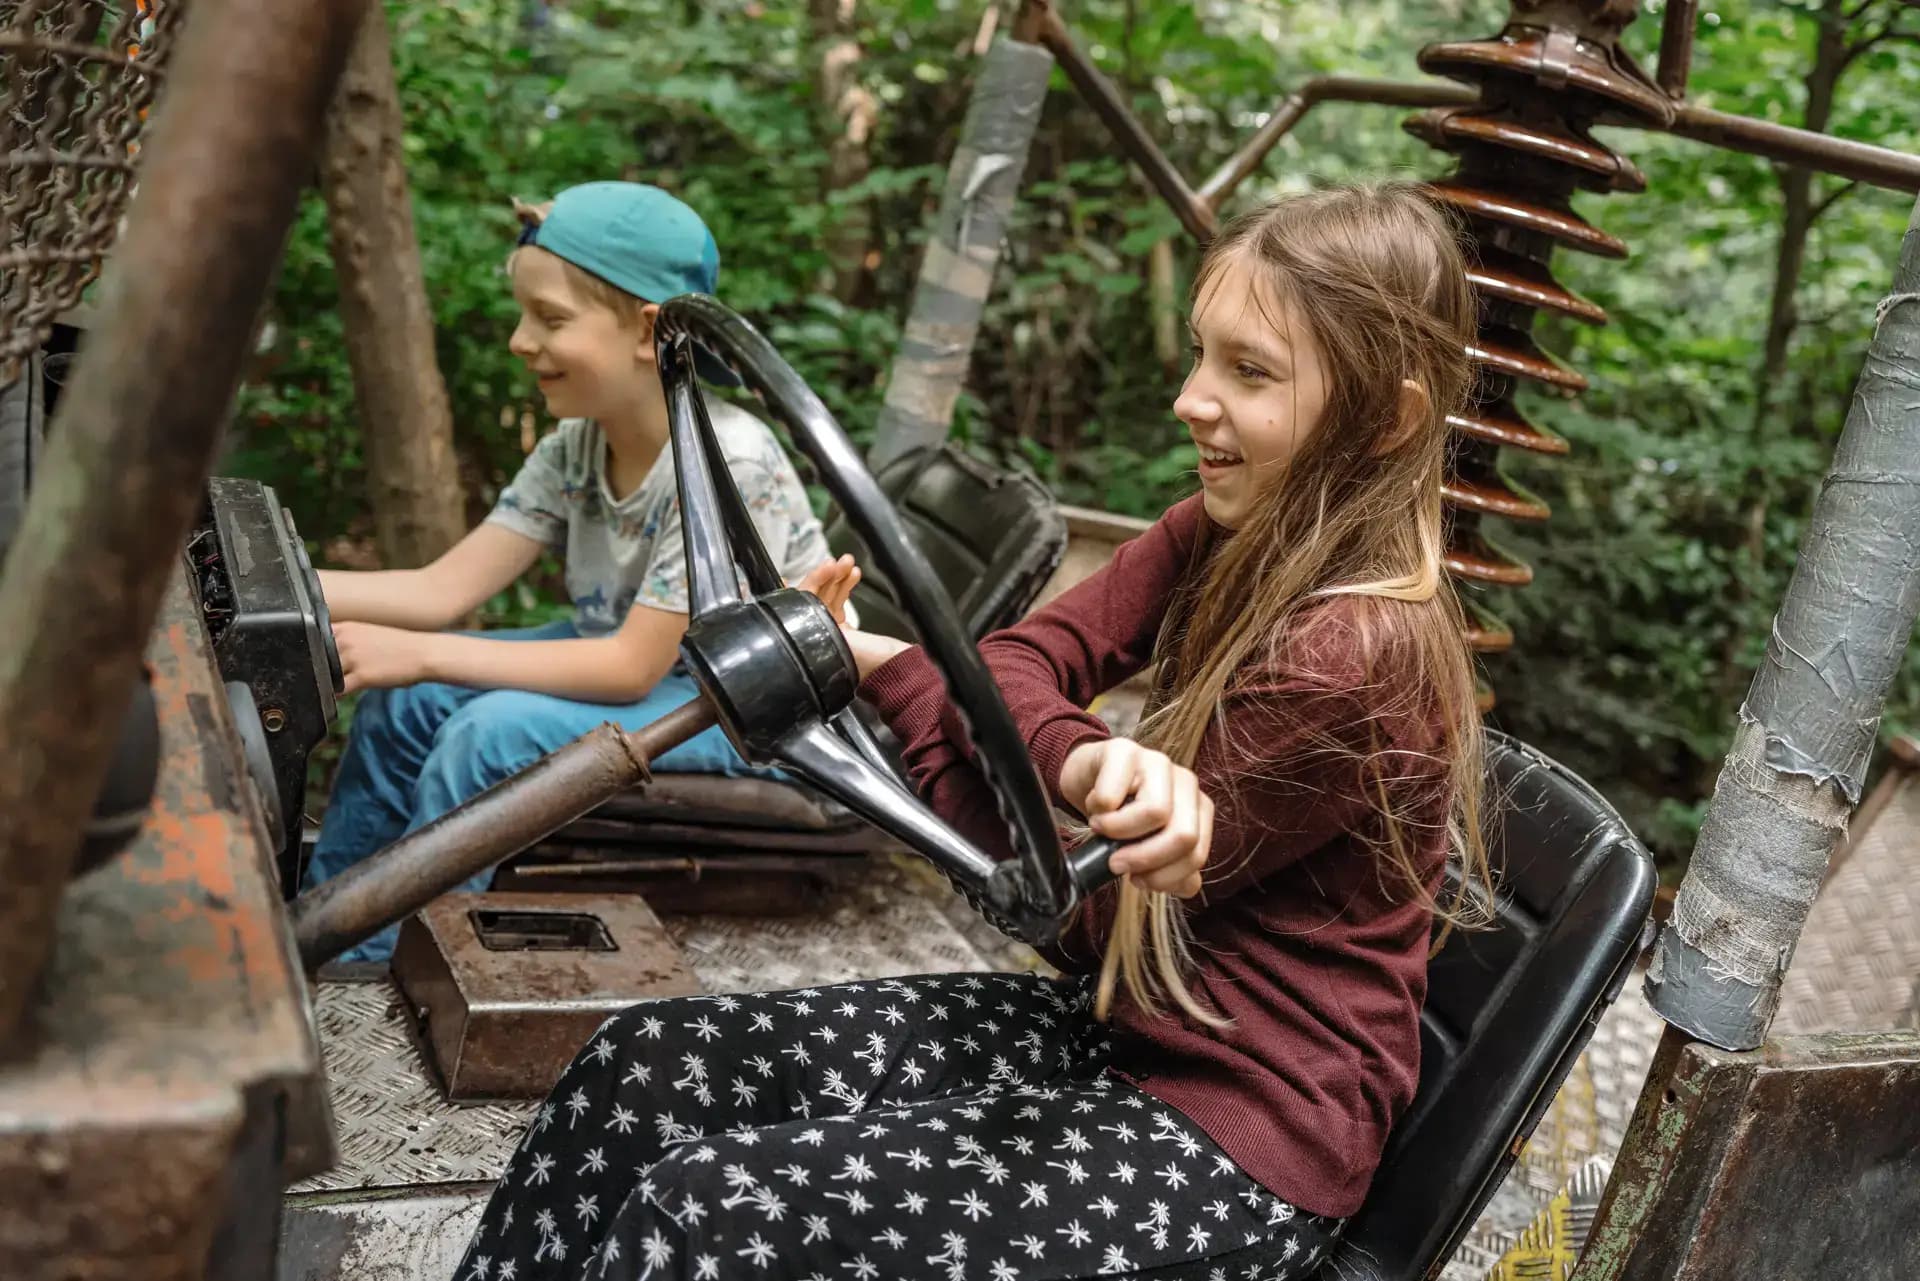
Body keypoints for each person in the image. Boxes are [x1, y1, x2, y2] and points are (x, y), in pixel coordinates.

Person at [452, 182, 1495, 1281]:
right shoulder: (1221, 530)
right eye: (1202, 354)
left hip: (1238, 1135)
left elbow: (1075, 914)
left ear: (1385, 420)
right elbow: (1013, 661)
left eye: (1250, 371)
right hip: (1122, 1028)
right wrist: (1073, 751)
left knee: (708, 1215)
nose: (1191, 399)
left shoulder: (1353, 655)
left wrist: (900, 680)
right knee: (646, 1066)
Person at [307, 181, 848, 961]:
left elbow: (629, 669)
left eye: (551, 319)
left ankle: (401, 964)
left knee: (484, 737)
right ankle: (326, 934)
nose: (519, 341)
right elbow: (441, 589)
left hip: (746, 706)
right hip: (654, 663)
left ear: (649, 332)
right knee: (405, 700)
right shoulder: (577, 446)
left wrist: (420, 650)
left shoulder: (725, 461)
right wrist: (277, 582)